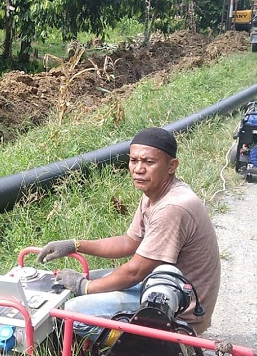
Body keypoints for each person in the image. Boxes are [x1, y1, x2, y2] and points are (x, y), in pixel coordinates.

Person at [38, 127, 220, 338]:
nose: (138, 169)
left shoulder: (173, 208)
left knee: (74, 311)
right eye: (134, 161)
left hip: (179, 310)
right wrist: (75, 245)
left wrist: (84, 287)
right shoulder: (156, 192)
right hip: (164, 287)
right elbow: (129, 242)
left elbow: (135, 271)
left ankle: (142, 347)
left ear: (172, 166)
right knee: (93, 277)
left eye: (149, 162)